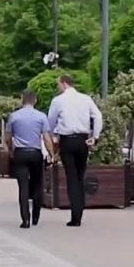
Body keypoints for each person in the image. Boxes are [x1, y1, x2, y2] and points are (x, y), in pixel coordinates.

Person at [47, 74, 103, 227]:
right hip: (82, 140)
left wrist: (53, 136)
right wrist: (95, 136)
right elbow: (97, 116)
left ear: (64, 83)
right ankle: (80, 211)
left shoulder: (58, 101)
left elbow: (50, 121)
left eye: (58, 84)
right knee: (80, 175)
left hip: (67, 141)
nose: (57, 87)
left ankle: (75, 215)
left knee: (71, 177)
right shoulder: (85, 99)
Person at [6, 89, 55, 229]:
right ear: (35, 100)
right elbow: (46, 138)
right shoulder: (41, 116)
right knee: (37, 184)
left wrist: (11, 151)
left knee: (23, 187)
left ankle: (25, 219)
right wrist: (51, 154)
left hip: (20, 153)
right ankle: (36, 216)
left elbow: (8, 138)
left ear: (22, 99)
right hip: (35, 152)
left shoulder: (14, 116)